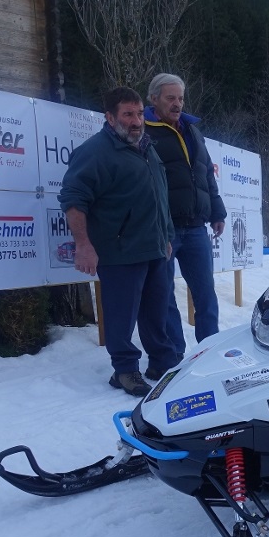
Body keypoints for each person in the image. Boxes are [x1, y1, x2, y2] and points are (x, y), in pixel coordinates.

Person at [58, 87, 175, 396]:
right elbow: (73, 199)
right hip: (120, 251)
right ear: (109, 118)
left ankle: (162, 364)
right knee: (121, 315)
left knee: (157, 313)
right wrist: (83, 245)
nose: (136, 121)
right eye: (128, 115)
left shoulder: (147, 147)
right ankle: (124, 370)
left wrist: (166, 236)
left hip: (154, 247)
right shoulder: (95, 151)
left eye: (139, 114)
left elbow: (159, 196)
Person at [143, 73, 227, 371]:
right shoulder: (144, 132)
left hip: (196, 228)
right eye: (170, 98)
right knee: (164, 295)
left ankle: (209, 351)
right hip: (164, 230)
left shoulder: (193, 130)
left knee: (205, 294)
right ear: (154, 99)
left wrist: (217, 210)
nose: (177, 104)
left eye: (180, 98)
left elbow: (205, 174)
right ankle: (174, 357)